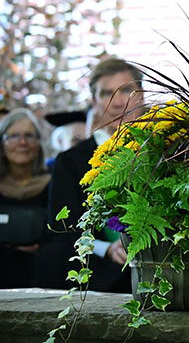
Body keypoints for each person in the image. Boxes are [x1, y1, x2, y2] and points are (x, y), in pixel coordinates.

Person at [35, 58, 145, 292]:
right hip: (101, 265)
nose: (118, 102)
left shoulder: (168, 151)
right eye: (107, 94)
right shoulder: (72, 161)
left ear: (142, 95)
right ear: (94, 102)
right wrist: (109, 248)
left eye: (126, 90)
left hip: (156, 258)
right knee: (53, 256)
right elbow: (64, 229)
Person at [0, 107, 51, 287]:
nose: (22, 142)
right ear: (2, 143)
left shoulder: (54, 183)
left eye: (29, 136)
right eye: (13, 136)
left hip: (41, 272)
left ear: (38, 143)